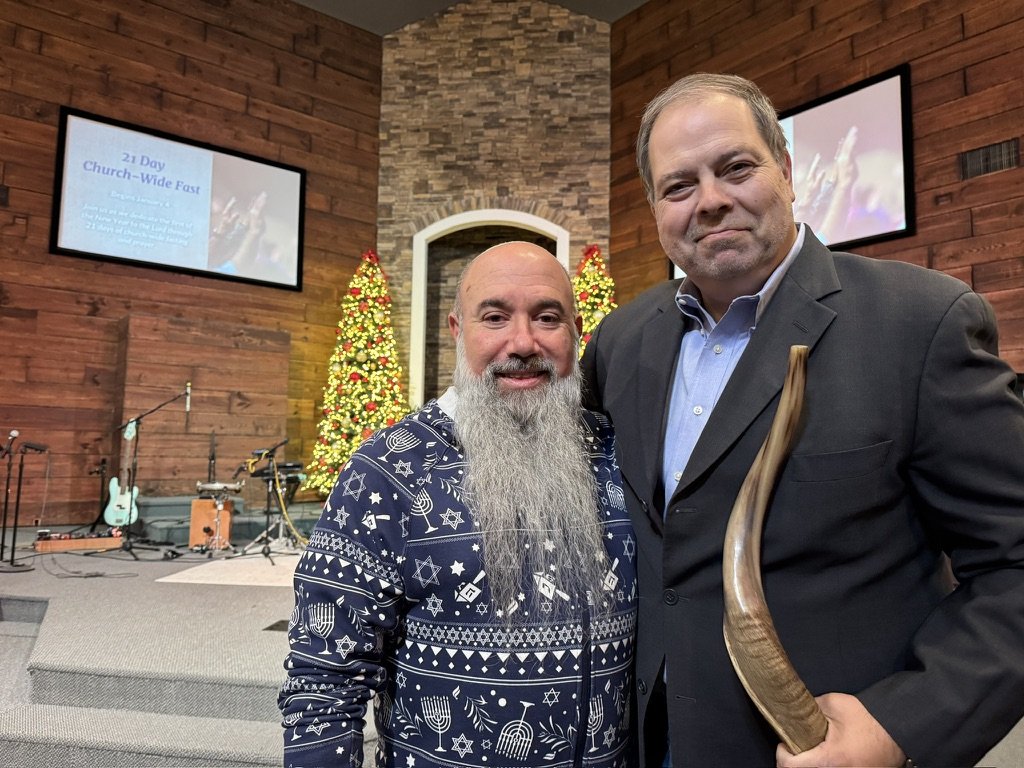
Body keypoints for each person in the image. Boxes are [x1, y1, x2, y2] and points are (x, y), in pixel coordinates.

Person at [580, 72, 1024, 767]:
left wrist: (897, 727)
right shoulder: (619, 342)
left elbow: (1015, 568)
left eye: (735, 167)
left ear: (786, 171)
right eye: (679, 186)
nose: (711, 201)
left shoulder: (919, 325)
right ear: (655, 208)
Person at [280, 242, 637, 768]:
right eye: (495, 317)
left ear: (577, 332)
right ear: (457, 329)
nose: (523, 342)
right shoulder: (386, 471)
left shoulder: (617, 451)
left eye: (547, 317)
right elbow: (323, 682)